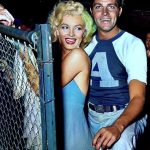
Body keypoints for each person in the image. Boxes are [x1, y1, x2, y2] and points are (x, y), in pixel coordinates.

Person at [85, 0, 147, 149]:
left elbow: (138, 97)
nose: (105, 13)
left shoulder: (132, 44)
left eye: (111, 6)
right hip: (91, 115)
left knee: (121, 144)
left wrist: (118, 127)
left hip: (124, 114)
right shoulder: (84, 43)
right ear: (91, 11)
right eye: (99, 6)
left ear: (119, 11)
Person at [48, 1, 96, 149]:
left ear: (85, 33)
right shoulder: (57, 57)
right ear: (56, 30)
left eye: (78, 28)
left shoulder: (78, 55)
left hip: (73, 138)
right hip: (61, 135)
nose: (71, 34)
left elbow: (45, 88)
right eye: (65, 27)